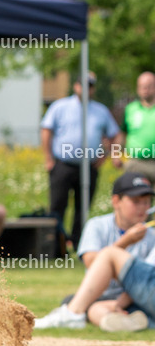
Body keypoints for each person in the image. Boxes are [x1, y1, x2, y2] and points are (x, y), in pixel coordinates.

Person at [34, 172, 155, 332]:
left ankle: (73, 314)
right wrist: (126, 242)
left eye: (147, 202)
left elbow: (144, 281)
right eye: (136, 202)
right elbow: (91, 262)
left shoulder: (151, 234)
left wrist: (120, 303)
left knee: (108, 255)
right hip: (101, 295)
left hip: (131, 296)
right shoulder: (97, 225)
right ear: (116, 201)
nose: (143, 208)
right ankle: (125, 323)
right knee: (94, 309)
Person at [41, 71, 120, 247]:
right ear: (76, 86)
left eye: (90, 86)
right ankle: (55, 246)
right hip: (63, 165)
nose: (86, 89)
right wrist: (48, 159)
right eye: (83, 85)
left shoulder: (101, 111)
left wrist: (105, 157)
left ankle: (78, 244)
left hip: (88, 167)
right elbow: (46, 130)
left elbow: (114, 135)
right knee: (57, 206)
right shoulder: (60, 106)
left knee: (82, 208)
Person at [113, 71, 155, 183]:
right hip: (136, 163)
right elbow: (123, 133)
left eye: (149, 86)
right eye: (142, 86)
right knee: (136, 198)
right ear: (138, 88)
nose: (145, 89)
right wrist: (116, 154)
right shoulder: (130, 109)